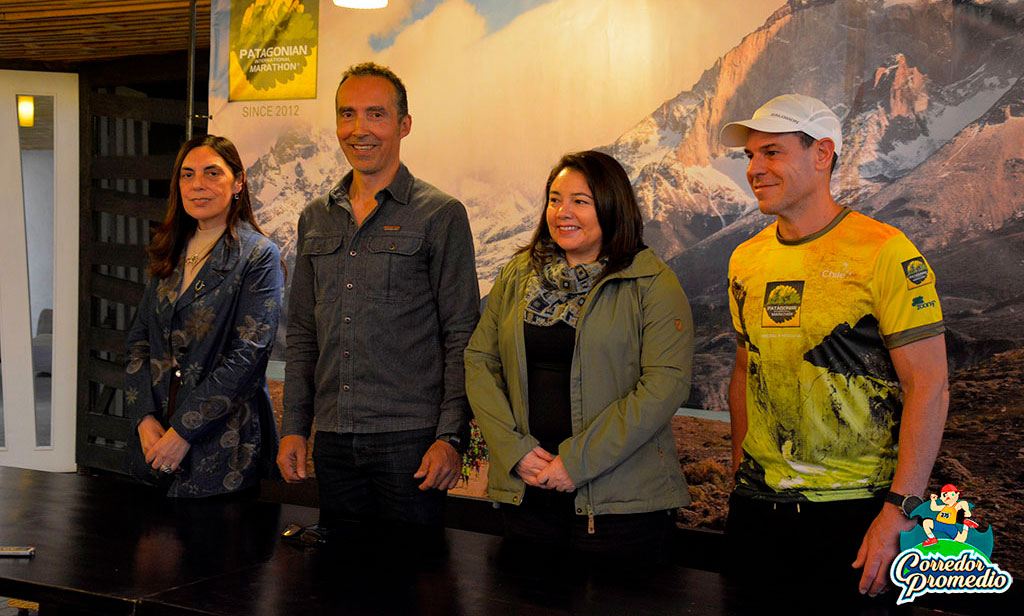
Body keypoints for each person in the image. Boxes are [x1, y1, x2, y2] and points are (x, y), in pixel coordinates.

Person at [719, 94, 949, 598]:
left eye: (772, 153)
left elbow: (929, 385)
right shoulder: (745, 258)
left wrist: (900, 510)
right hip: (758, 512)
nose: (755, 168)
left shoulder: (885, 251)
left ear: (822, 154)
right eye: (750, 157)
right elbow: (744, 369)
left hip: (857, 513)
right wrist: (741, 474)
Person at [278, 62, 479, 532]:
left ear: (404, 125)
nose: (359, 129)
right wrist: (294, 426)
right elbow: (304, 334)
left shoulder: (441, 214)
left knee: (412, 585)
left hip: (410, 441)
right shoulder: (315, 218)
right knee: (339, 588)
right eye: (347, 115)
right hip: (331, 438)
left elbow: (462, 334)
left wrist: (451, 436)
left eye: (375, 115)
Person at [465, 150, 693, 562]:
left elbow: (665, 385)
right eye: (554, 199)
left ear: (610, 206)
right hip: (527, 492)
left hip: (621, 509)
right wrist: (513, 451)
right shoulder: (517, 276)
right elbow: (480, 361)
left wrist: (577, 462)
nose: (562, 212)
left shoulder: (651, 281)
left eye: (579, 201)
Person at [125, 134, 284, 498]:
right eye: (187, 174)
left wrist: (182, 432)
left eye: (212, 173)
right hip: (154, 441)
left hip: (223, 446)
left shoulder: (258, 256)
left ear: (238, 182)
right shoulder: (170, 250)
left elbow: (248, 356)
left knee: (217, 553)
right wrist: (144, 420)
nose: (197, 185)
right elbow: (138, 343)